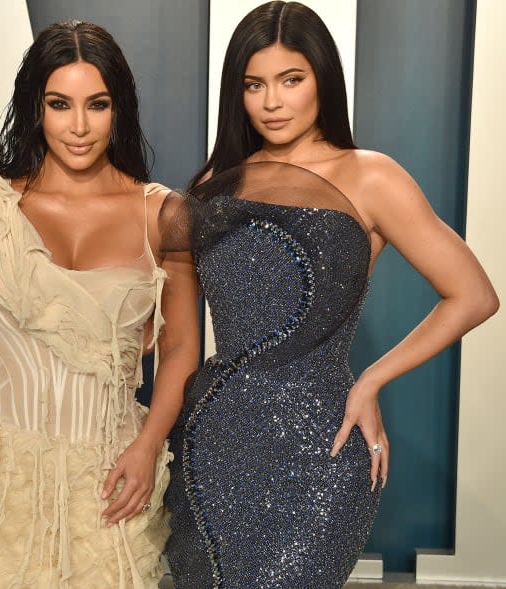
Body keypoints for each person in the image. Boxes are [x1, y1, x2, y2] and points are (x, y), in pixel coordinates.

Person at [164, 2, 499, 588]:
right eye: (254, 84)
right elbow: (174, 332)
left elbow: (473, 295)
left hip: (324, 445)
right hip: (214, 445)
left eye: (291, 80)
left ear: (323, 79)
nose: (272, 102)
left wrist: (370, 380)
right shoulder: (214, 186)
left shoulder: (371, 176)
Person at [0, 20, 199, 588]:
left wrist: (149, 443)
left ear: (120, 110)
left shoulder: (163, 215)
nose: (79, 127)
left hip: (112, 474)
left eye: (97, 104)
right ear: (36, 107)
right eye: (60, 104)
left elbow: (182, 349)